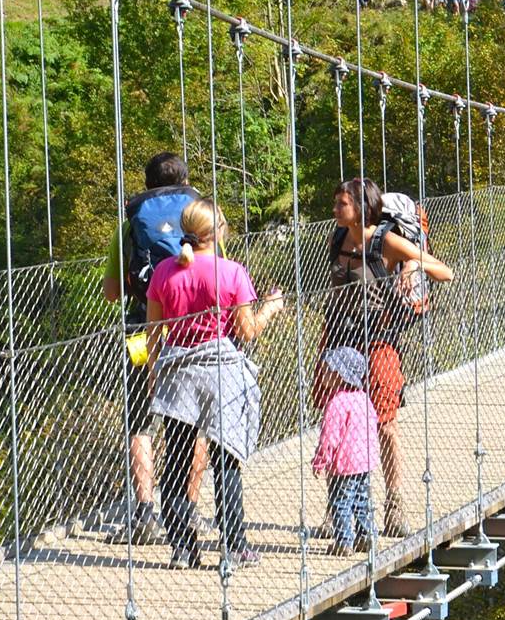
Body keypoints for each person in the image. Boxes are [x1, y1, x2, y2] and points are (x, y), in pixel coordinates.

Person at [146, 198, 285, 569]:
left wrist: (153, 375)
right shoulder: (232, 272)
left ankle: (182, 547)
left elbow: (153, 335)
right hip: (221, 373)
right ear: (217, 232)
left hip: (178, 374)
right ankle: (234, 545)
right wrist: (271, 306)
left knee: (175, 462)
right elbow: (248, 331)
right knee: (226, 460)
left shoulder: (163, 272)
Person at [325, 177, 453, 537]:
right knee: (337, 421)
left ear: (362, 208)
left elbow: (445, 272)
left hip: (379, 339)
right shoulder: (336, 237)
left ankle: (395, 507)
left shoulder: (387, 242)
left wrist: (412, 267)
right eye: (336, 204)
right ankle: (338, 511)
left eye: (342, 204)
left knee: (384, 423)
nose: (335, 210)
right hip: (338, 337)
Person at [102, 151, 207, 544]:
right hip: (191, 331)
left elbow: (112, 292)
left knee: (139, 417)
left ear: (146, 185)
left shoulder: (129, 223)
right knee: (194, 422)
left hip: (139, 331)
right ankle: (188, 509)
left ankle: (146, 512)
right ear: (185, 183)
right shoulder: (203, 221)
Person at [310, 346, 379, 553]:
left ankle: (344, 541)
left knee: (340, 502)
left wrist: (320, 460)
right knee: (361, 500)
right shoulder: (364, 399)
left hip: (344, 464)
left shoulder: (336, 403)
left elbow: (329, 437)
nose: (323, 373)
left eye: (329, 370)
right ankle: (367, 535)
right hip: (364, 462)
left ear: (340, 375)